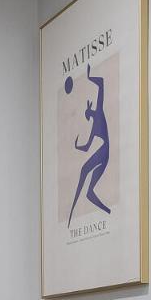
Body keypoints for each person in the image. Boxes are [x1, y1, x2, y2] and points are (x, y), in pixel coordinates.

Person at [67, 66, 112, 226]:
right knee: (89, 193)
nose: (87, 115)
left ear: (90, 111)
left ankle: (71, 211)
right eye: (87, 114)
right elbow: (87, 147)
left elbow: (101, 83)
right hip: (103, 153)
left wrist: (89, 77)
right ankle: (108, 212)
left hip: (104, 151)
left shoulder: (99, 111)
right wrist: (77, 146)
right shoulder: (94, 128)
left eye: (87, 113)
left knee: (84, 170)